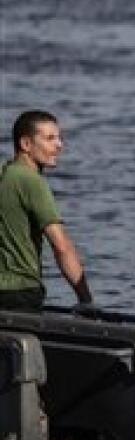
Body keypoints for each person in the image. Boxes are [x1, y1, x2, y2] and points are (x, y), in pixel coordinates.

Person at [0, 111, 93, 311]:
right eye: (50, 138)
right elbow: (61, 246)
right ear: (26, 144)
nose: (59, 145)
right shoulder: (31, 181)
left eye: (59, 138)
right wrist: (86, 301)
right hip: (20, 292)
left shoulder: (4, 174)